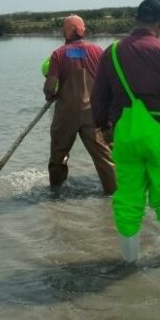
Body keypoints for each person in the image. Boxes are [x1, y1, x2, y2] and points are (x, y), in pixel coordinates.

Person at [92, 0, 160, 262]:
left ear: (136, 19)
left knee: (128, 197)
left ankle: (129, 263)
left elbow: (98, 98)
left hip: (126, 135)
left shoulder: (112, 52)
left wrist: (103, 128)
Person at [43, 15, 117, 195]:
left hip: (66, 114)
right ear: (83, 30)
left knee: (58, 155)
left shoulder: (59, 54)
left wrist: (50, 96)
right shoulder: (98, 51)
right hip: (94, 113)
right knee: (104, 157)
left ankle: (56, 194)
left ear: (65, 32)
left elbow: (50, 86)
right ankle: (113, 194)